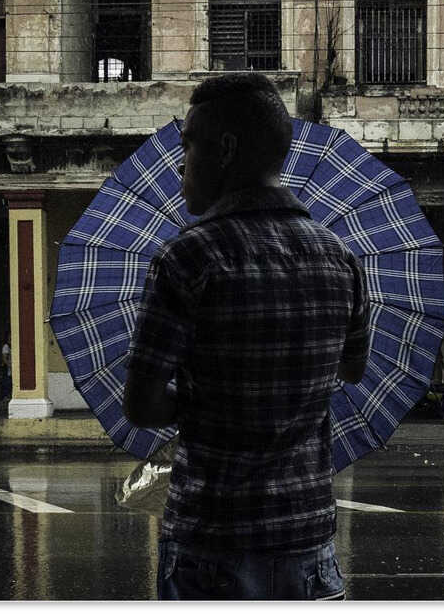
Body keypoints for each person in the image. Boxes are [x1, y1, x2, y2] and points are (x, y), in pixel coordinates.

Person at [123, 73, 369, 601]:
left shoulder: (189, 258)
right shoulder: (340, 259)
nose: (180, 162)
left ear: (226, 150)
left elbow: (142, 407)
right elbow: (351, 369)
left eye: (189, 145)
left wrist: (202, 400)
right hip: (308, 544)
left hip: (213, 542)